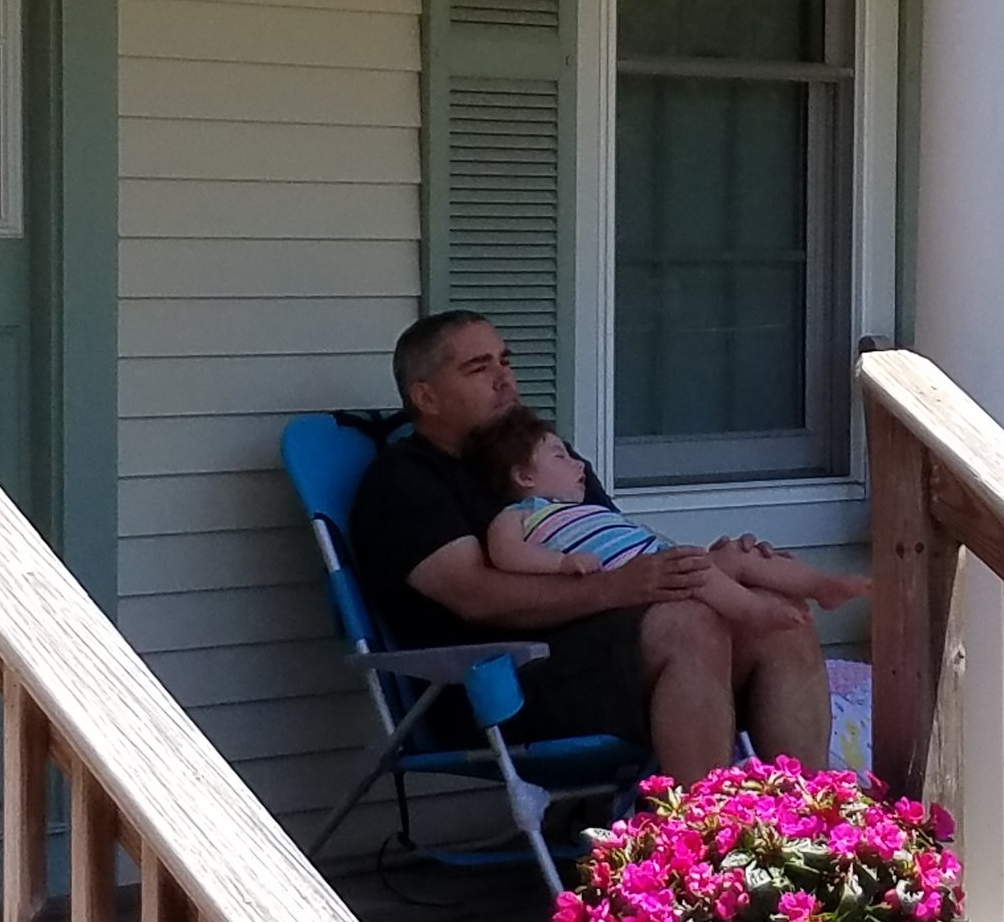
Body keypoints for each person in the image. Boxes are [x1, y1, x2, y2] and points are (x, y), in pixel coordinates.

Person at [347, 310, 832, 781]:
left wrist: (717, 568)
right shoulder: (405, 480)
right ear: (426, 397)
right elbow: (476, 595)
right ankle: (703, 848)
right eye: (479, 368)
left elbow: (623, 557)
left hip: (607, 657)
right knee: (688, 623)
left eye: (505, 361)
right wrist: (619, 590)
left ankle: (808, 830)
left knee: (779, 617)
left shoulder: (538, 456)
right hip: (498, 688)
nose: (505, 380)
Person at [465, 405, 869, 637]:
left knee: (736, 555)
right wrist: (561, 565)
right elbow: (506, 556)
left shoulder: (587, 509)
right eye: (559, 456)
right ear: (523, 476)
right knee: (700, 575)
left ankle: (822, 585)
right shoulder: (519, 516)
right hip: (633, 586)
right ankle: (753, 613)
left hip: (661, 560)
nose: (577, 463)